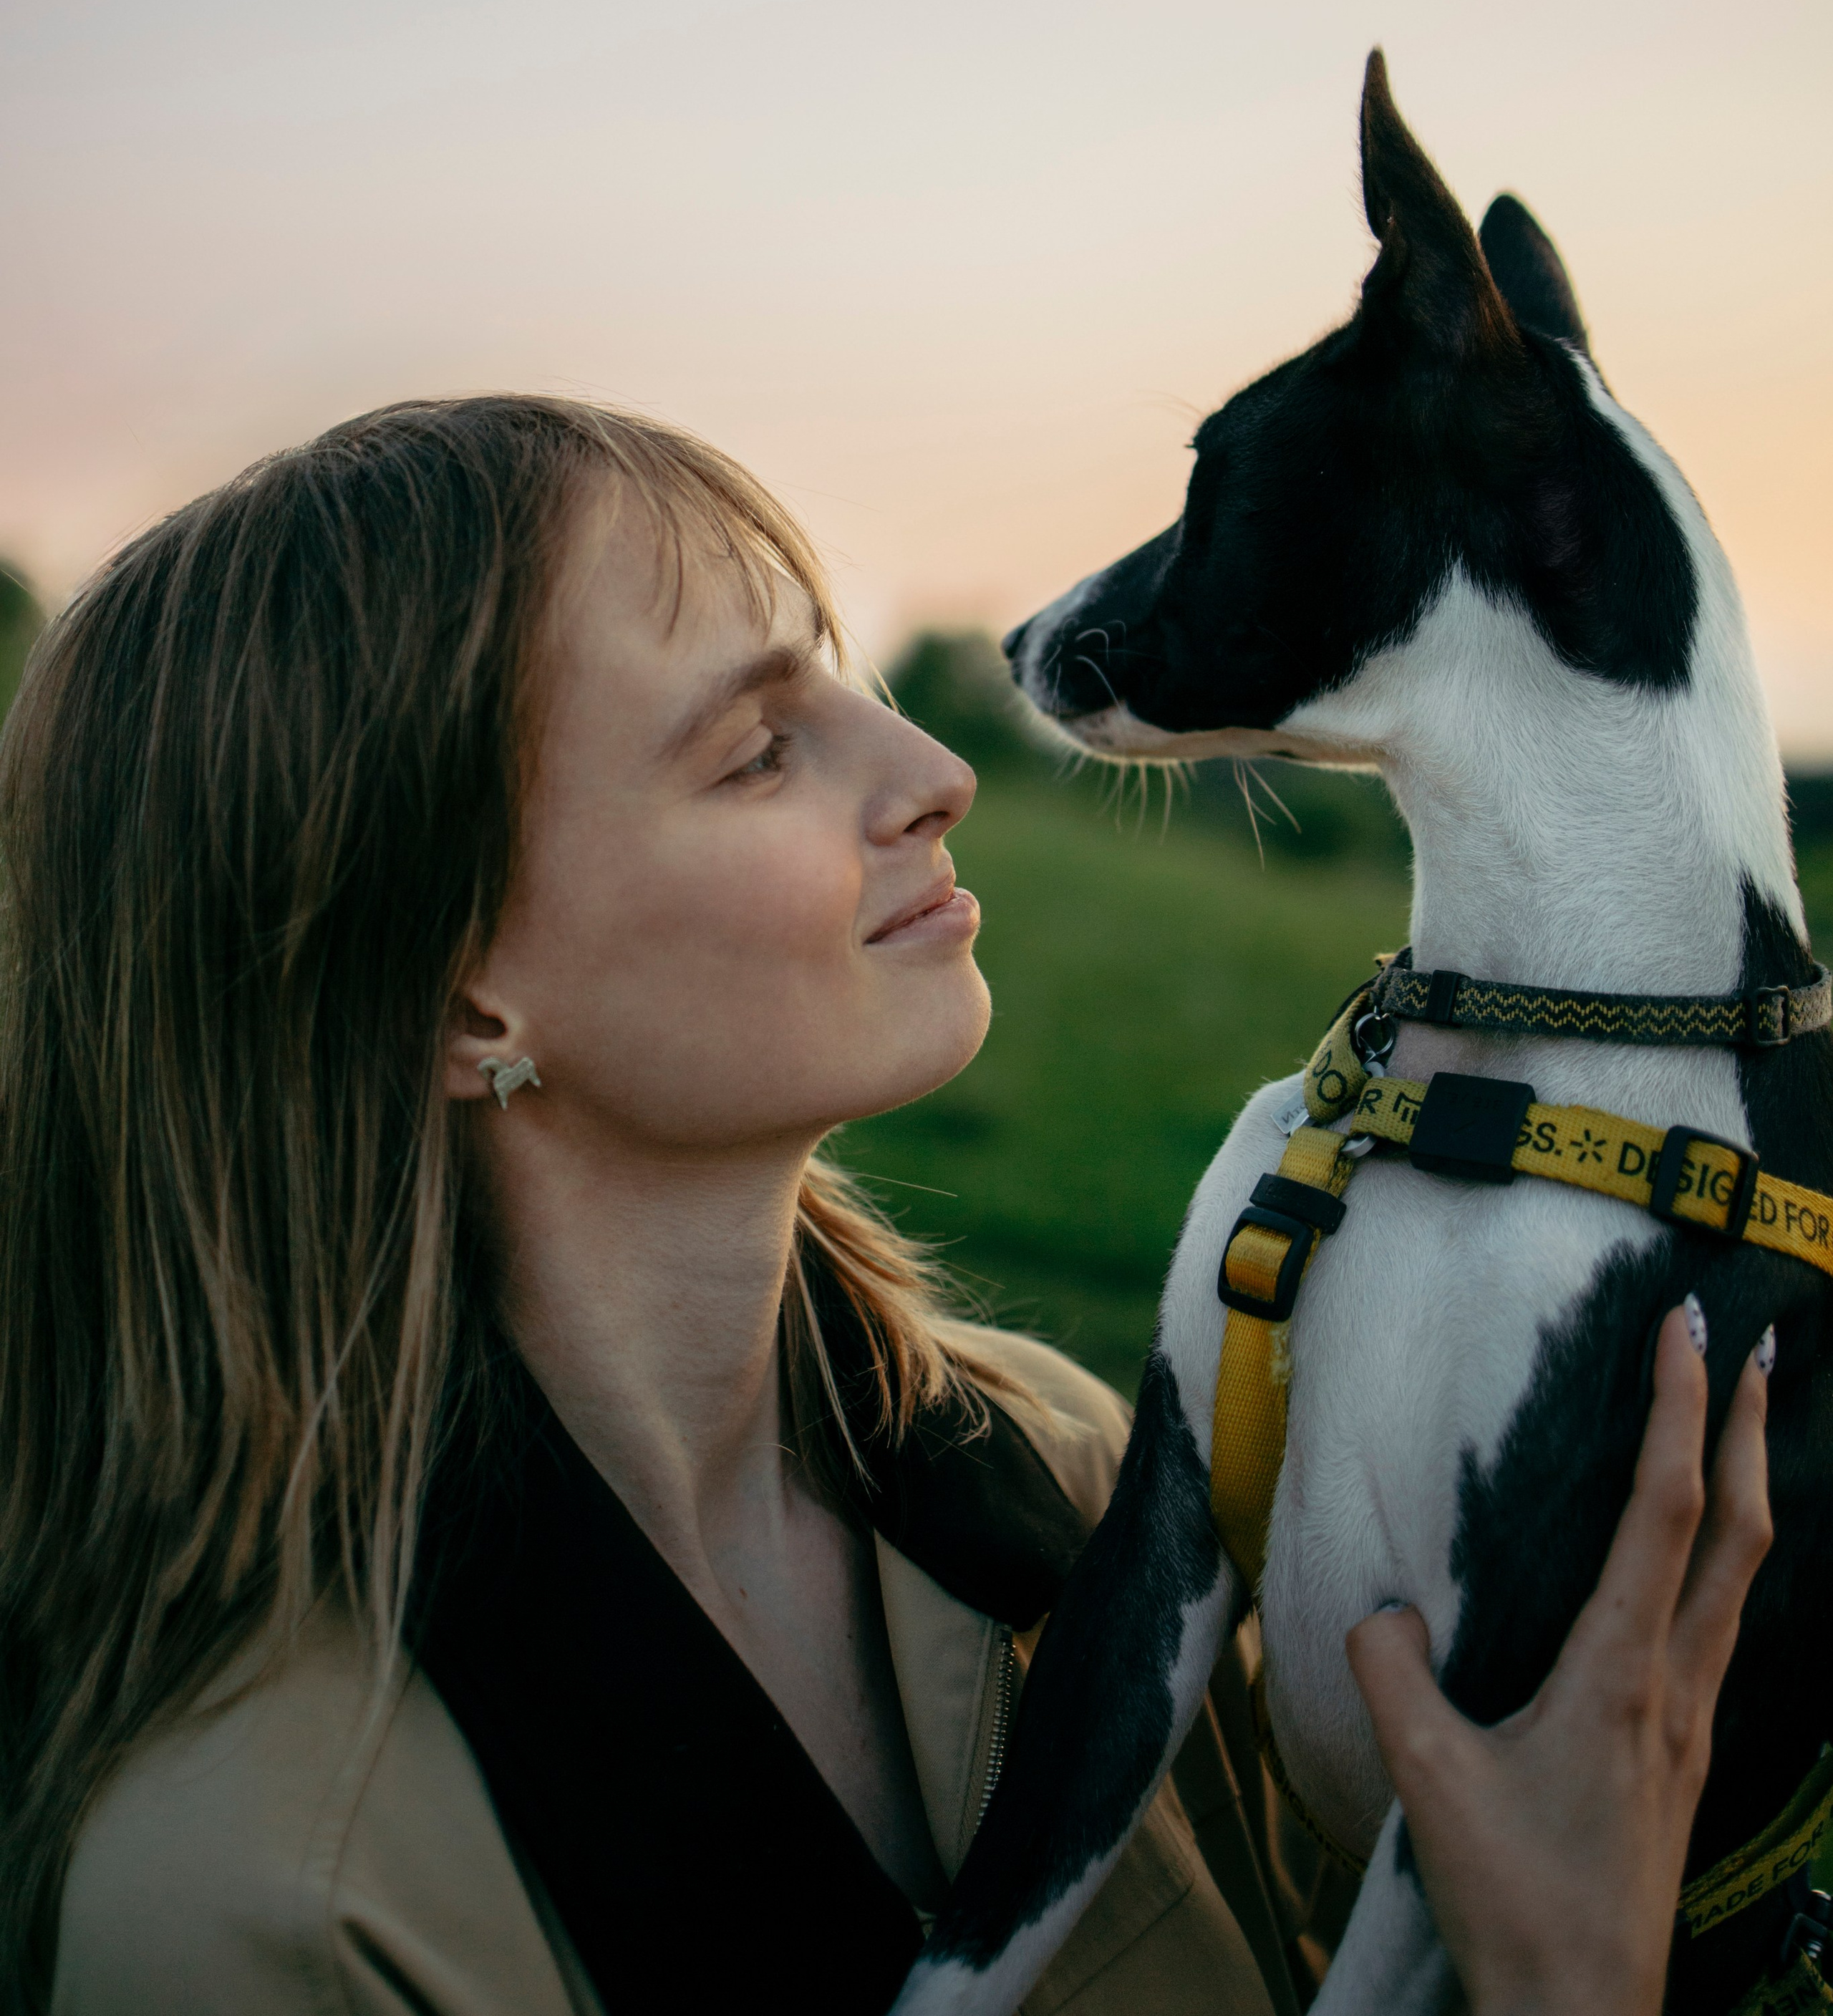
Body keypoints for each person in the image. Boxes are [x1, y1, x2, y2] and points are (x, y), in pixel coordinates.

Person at [0, 397, 1773, 2016]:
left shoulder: (1079, 1477)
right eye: (755, 750)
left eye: (840, 677)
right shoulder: (258, 1907)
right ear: (462, 1003)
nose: (935, 769)